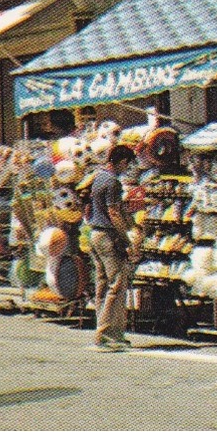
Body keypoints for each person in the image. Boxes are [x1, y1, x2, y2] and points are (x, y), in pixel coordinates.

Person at [83, 145, 137, 352]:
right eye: (127, 164)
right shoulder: (112, 182)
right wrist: (127, 238)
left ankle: (111, 332)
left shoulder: (98, 177)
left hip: (94, 234)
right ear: (122, 161)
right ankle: (104, 335)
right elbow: (114, 213)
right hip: (107, 237)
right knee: (117, 284)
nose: (127, 168)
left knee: (102, 285)